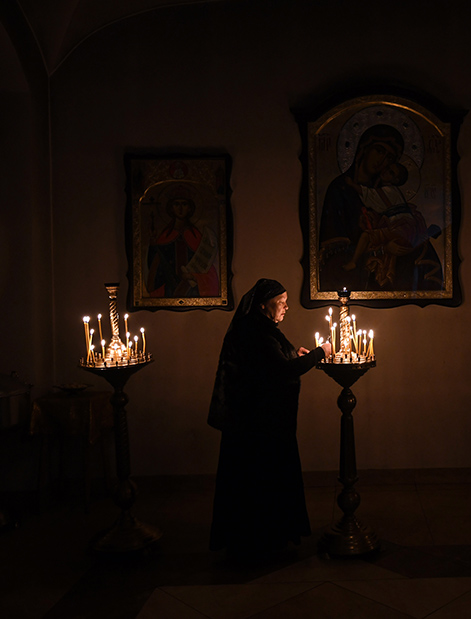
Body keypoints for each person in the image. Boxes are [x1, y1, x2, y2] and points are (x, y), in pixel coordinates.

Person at [207, 278, 332, 562]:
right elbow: (282, 371)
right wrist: (319, 353)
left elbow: (275, 361)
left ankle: (264, 537)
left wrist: (293, 352)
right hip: (258, 427)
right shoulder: (255, 332)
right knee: (259, 482)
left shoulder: (259, 327)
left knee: (258, 481)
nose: (287, 307)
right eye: (281, 302)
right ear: (263, 304)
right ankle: (260, 541)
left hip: (257, 423)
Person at [318, 123, 444, 292]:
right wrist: (384, 249)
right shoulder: (340, 190)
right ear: (364, 149)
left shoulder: (389, 195)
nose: (382, 161)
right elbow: (333, 252)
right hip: (359, 274)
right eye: (379, 151)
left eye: (390, 158)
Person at [146, 186, 219, 298]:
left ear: (190, 208)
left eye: (184, 204)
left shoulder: (195, 235)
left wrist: (192, 276)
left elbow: (207, 265)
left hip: (192, 288)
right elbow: (154, 266)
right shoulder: (165, 235)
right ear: (171, 208)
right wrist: (152, 243)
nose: (180, 208)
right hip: (169, 288)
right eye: (176, 204)